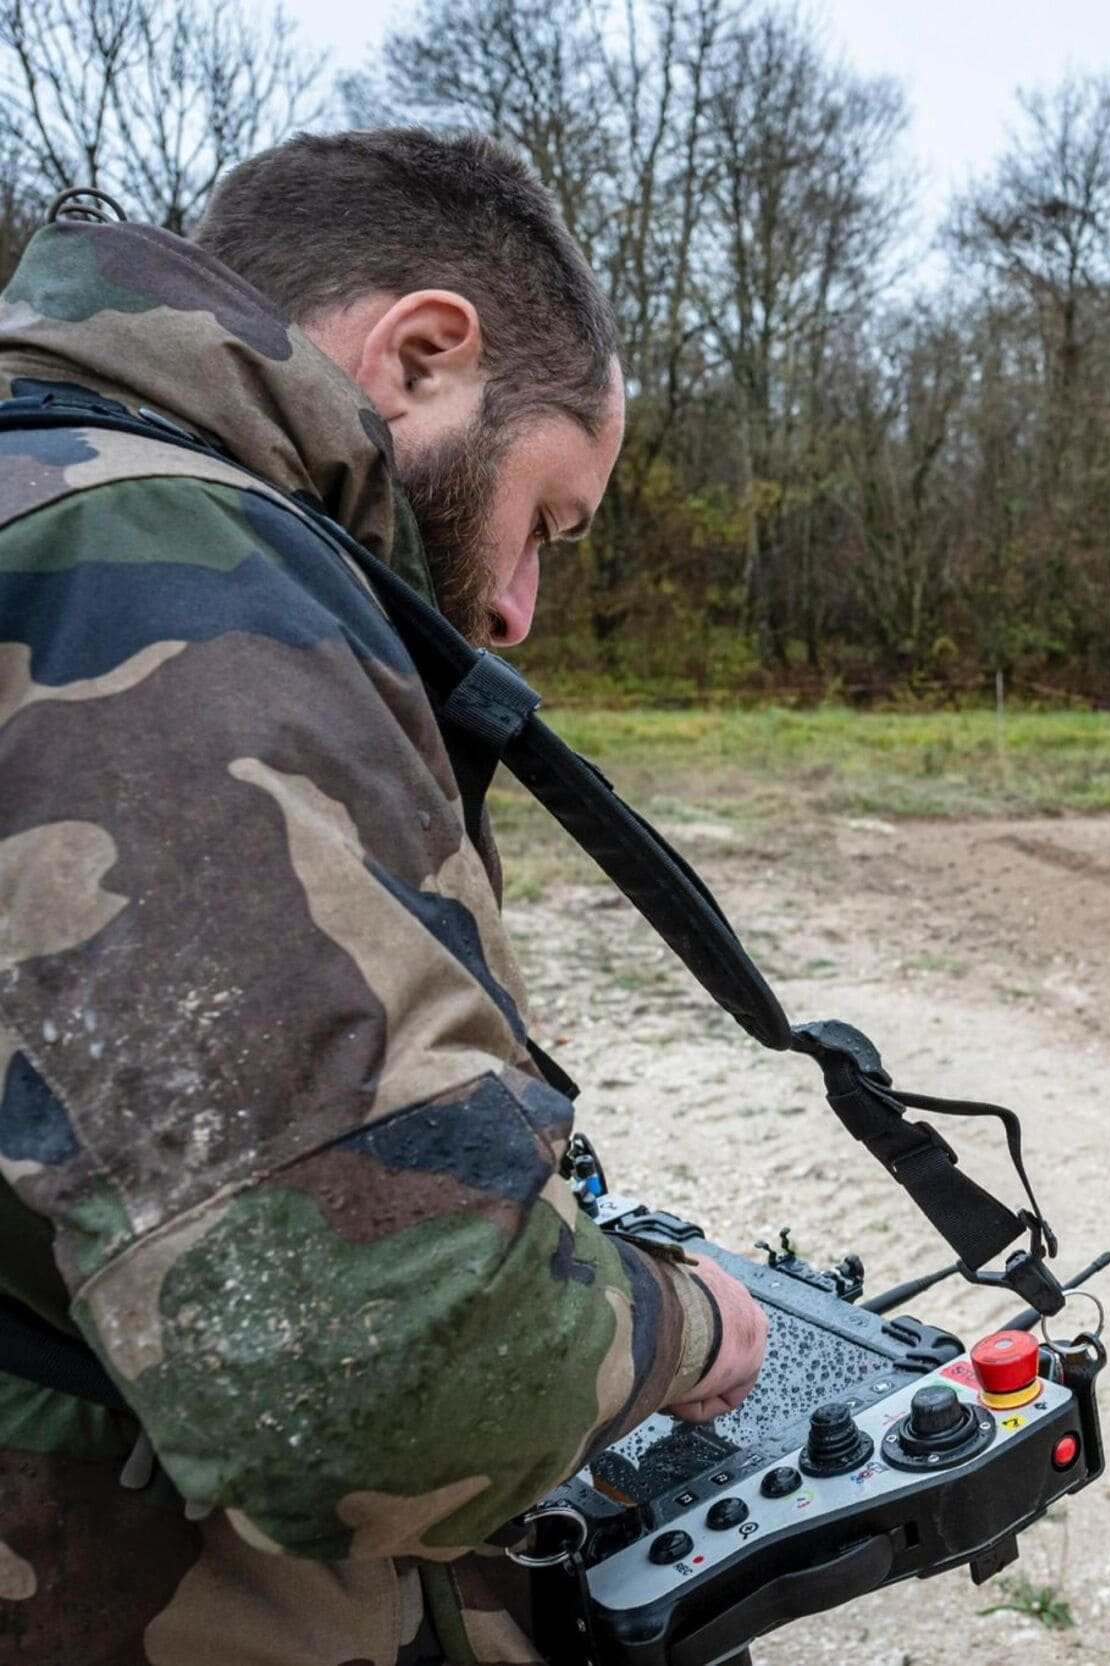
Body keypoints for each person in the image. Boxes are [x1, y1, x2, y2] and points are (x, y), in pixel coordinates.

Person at [0, 129, 768, 1665]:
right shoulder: (150, 558)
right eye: (545, 521)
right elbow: (383, 1364)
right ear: (420, 357)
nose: (514, 609)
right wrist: (685, 1321)